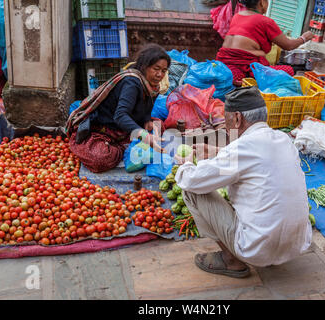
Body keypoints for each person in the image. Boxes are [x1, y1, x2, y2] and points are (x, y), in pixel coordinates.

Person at [174, 86, 312, 278]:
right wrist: (218, 152)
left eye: (226, 121)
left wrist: (186, 164)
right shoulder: (284, 139)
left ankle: (231, 260)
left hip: (255, 249)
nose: (226, 127)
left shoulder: (242, 148)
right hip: (297, 245)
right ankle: (271, 251)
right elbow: (252, 158)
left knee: (190, 189)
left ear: (237, 118)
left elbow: (191, 181)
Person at [66, 44, 170, 173]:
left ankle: (126, 145)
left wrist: (147, 121)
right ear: (144, 66)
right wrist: (144, 135)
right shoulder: (131, 83)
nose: (160, 74)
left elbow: (146, 109)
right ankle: (123, 148)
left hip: (125, 127)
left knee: (158, 125)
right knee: (100, 159)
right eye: (156, 69)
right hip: (105, 128)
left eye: (164, 71)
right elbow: (120, 115)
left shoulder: (152, 86)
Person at [216, 0, 314, 86]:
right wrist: (304, 38)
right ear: (262, 2)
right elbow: (288, 45)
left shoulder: (237, 16)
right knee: (289, 70)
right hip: (245, 68)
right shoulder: (265, 21)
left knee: (235, 77)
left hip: (223, 66)